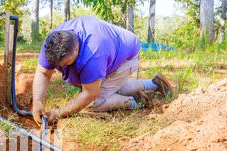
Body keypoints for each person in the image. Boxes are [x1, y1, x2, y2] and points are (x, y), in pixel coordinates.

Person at [32, 16, 173, 124]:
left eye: (66, 64)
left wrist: (59, 113)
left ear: (76, 49)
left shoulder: (93, 53)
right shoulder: (52, 43)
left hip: (127, 57)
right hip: (113, 48)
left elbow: (90, 94)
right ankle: (154, 84)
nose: (62, 68)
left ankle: (137, 101)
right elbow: (43, 72)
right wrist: (37, 101)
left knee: (94, 104)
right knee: (111, 88)